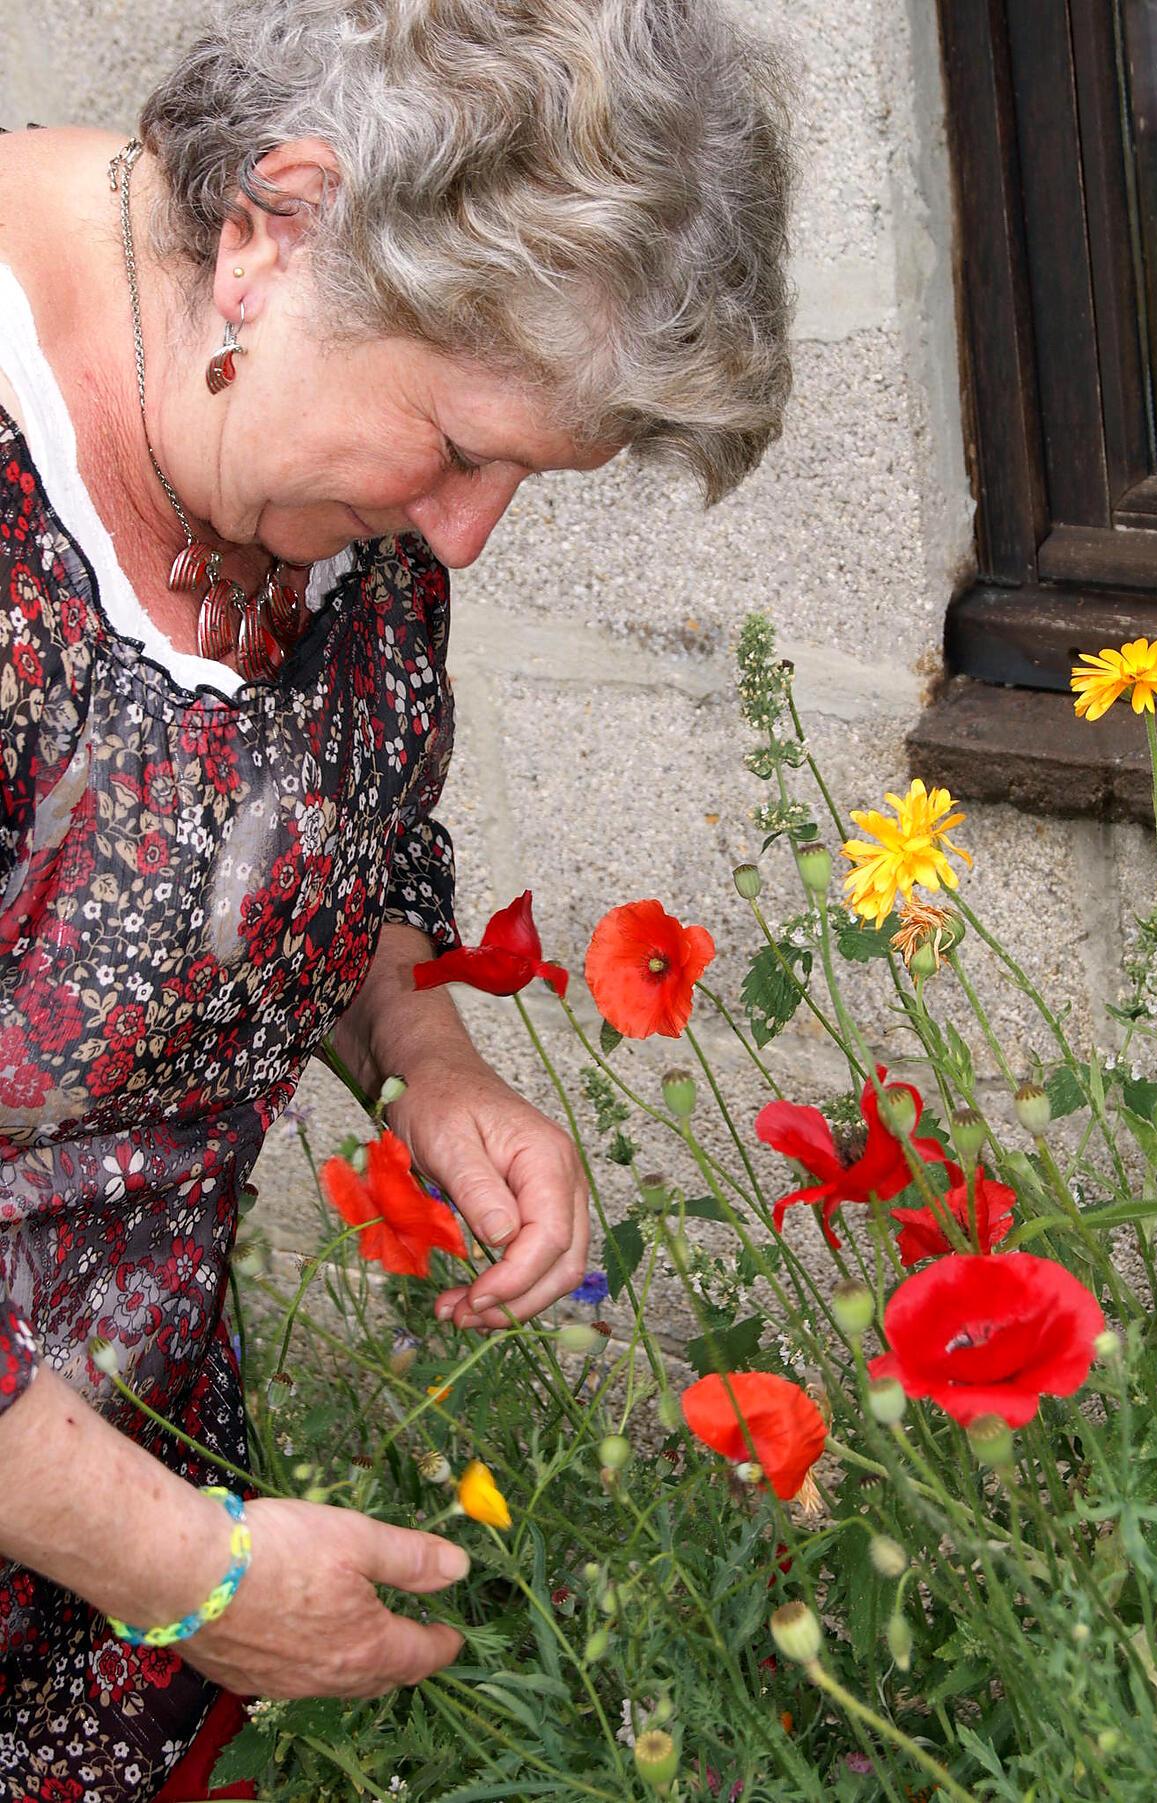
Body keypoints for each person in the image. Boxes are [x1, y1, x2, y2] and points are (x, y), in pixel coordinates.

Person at [0, 0, 793, 1795]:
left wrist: (427, 1054)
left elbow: (306, 836)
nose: (464, 538)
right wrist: (181, 1567)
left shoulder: (324, 484)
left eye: (525, 474)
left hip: (116, 1565)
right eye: (456, 447)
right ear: (272, 231)